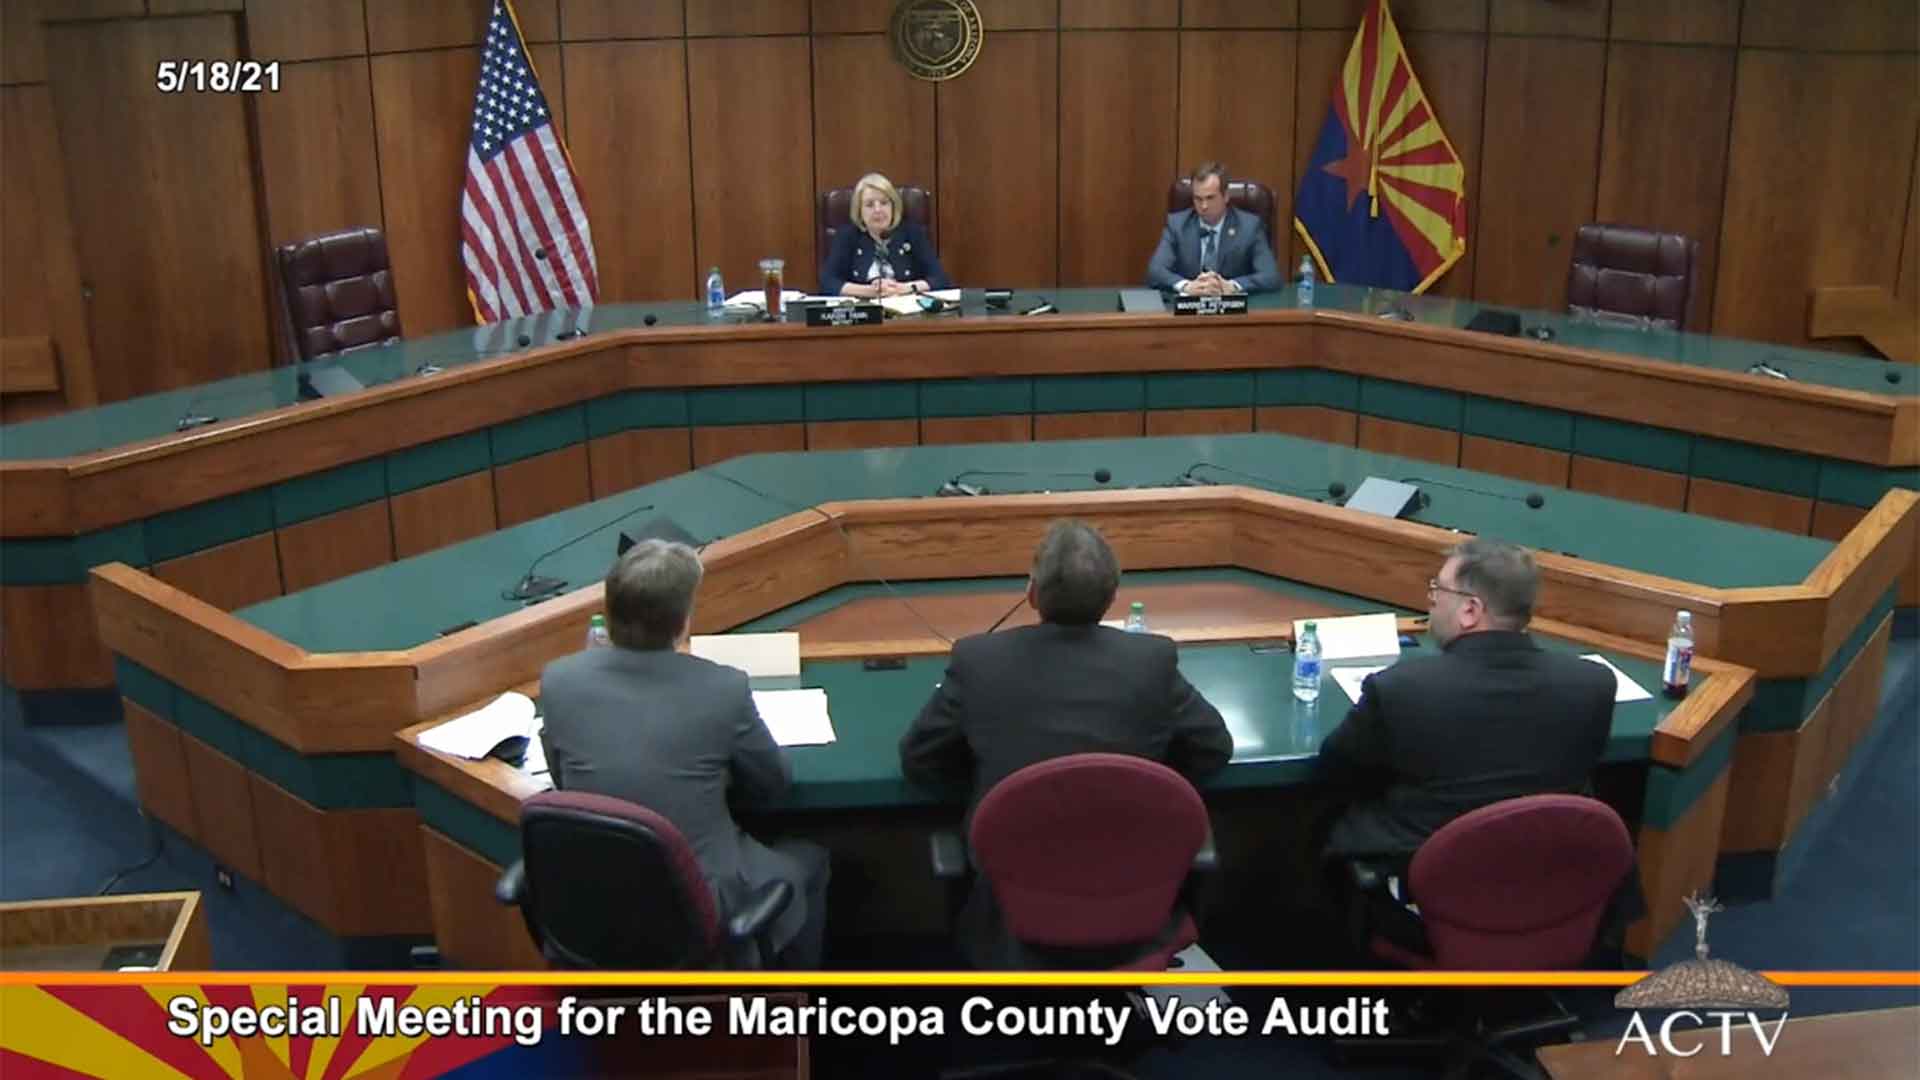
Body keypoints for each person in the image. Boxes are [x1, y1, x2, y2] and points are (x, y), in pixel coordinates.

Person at [899, 520, 1233, 965]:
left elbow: (919, 758)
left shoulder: (979, 661)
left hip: (1012, 886)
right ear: (1112, 597)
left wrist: (1002, 788)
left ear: (1032, 594)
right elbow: (1214, 749)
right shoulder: (1150, 660)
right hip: (1136, 881)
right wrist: (1143, 779)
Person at [538, 540, 830, 968]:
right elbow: (773, 784)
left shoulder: (560, 680)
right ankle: (790, 1022)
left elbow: (565, 780)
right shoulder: (722, 688)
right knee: (809, 862)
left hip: (593, 907)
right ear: (683, 622)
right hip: (696, 908)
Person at [1317, 538, 1615, 867]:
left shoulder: (1400, 688)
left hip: (1430, 882)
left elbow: (1335, 766)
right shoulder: (1593, 684)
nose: (1431, 602)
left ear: (1470, 610)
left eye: (1439, 590)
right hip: (1550, 881)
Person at [1147, 161, 1281, 296]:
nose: (1204, 206)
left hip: (1233, 311)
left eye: (1210, 198)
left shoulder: (1249, 226)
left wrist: (1232, 286)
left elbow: (1270, 276)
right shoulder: (1177, 224)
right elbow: (1155, 271)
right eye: (1198, 199)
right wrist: (1187, 286)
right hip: (1188, 310)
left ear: (1226, 196)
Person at [819, 172, 951, 298]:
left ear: (893, 206)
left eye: (884, 203)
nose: (878, 210)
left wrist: (905, 288)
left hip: (907, 312)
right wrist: (870, 291)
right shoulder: (847, 236)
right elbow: (828, 282)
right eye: (869, 205)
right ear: (859, 210)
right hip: (864, 312)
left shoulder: (912, 232)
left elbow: (940, 279)